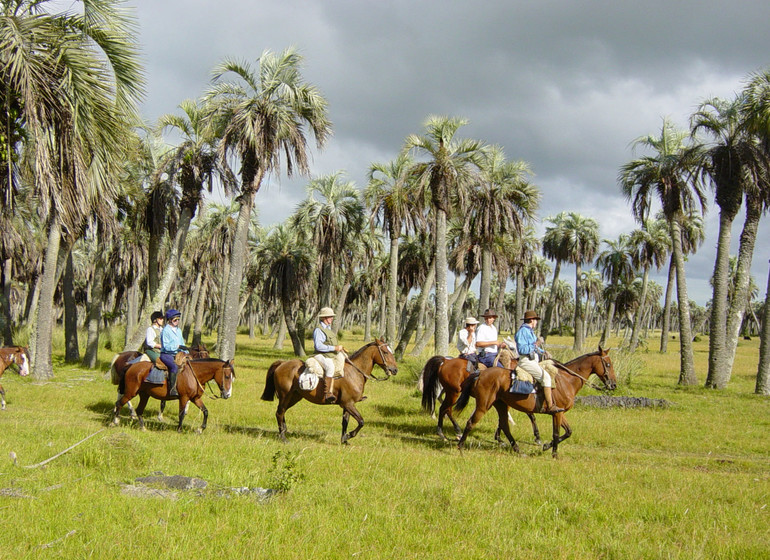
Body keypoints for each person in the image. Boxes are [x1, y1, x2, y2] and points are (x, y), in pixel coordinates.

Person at [514, 310, 564, 414]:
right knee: (546, 377)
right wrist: (536, 344)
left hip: (533, 360)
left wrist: (543, 352)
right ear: (532, 320)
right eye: (536, 320)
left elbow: (534, 347)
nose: (536, 322)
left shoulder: (529, 331)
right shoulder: (523, 331)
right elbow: (522, 350)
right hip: (526, 360)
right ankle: (550, 406)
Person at [312, 307, 345, 403]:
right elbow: (318, 346)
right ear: (324, 318)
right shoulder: (318, 330)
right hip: (320, 354)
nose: (332, 319)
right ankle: (327, 393)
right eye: (330, 317)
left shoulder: (328, 329)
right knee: (330, 367)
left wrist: (339, 349)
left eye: (332, 317)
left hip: (329, 354)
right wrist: (334, 348)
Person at [160, 309, 188, 397]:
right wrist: (177, 347)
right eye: (175, 320)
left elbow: (182, 343)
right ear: (170, 320)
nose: (177, 321)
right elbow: (166, 346)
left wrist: (186, 352)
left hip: (177, 354)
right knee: (174, 366)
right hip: (166, 354)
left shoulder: (179, 331)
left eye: (178, 319)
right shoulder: (165, 331)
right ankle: (172, 389)